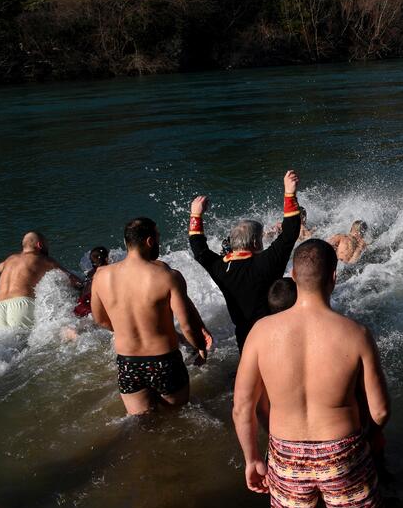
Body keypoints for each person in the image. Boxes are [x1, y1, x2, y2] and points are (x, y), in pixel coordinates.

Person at [233, 240, 389, 508]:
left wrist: (252, 458)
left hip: (286, 453)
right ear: (333, 276)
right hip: (343, 451)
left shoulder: (261, 332)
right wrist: (371, 437)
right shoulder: (355, 333)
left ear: (293, 274)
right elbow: (381, 410)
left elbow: (242, 408)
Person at [90, 218, 210, 415]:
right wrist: (200, 347)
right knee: (179, 417)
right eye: (158, 237)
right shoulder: (167, 276)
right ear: (149, 241)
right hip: (165, 361)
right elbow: (187, 325)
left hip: (128, 363)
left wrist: (125, 328)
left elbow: (101, 320)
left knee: (143, 423)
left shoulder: (101, 276)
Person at [189, 170, 302, 352]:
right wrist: (289, 192)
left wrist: (196, 215)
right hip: (273, 335)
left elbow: (199, 250)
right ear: (256, 242)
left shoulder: (221, 268)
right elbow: (290, 233)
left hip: (245, 338)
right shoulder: (266, 263)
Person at [0, 232, 82, 330]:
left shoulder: (10, 259)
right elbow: (73, 279)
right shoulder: (43, 259)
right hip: (22, 305)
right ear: (39, 245)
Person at [73, 246, 110, 318]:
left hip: (80, 305)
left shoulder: (90, 273)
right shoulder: (107, 272)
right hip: (90, 307)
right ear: (106, 259)